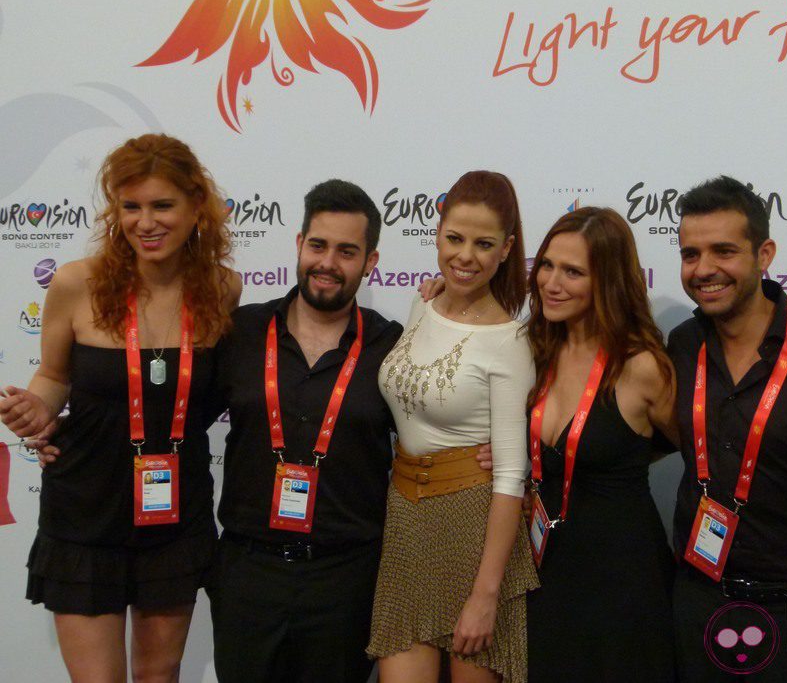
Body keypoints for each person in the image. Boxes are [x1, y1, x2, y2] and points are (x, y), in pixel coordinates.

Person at [0, 134, 240, 682]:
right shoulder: (75, 283)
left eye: (161, 205)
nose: (145, 222)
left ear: (195, 206)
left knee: (159, 674)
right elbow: (55, 376)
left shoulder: (223, 288)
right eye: (130, 207)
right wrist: (38, 409)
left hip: (175, 506)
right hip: (86, 503)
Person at [205, 180, 405, 683]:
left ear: (370, 261)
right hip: (248, 574)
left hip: (346, 580)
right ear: (298, 244)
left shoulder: (392, 346)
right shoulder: (241, 332)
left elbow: (434, 435)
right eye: (318, 245)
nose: (328, 263)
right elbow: (175, 422)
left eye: (346, 251)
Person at [668, 176, 787, 681]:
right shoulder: (681, 346)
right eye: (690, 254)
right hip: (698, 599)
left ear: (763, 253)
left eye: (723, 251)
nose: (704, 269)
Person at [368, 171, 538, 683]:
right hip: (405, 521)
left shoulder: (509, 341)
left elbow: (511, 475)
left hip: (474, 527)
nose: (465, 256)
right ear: (437, 234)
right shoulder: (422, 302)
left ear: (507, 249)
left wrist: (486, 595)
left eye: (484, 244)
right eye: (454, 239)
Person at [523, 207, 677, 681]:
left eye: (572, 272)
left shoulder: (642, 365)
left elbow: (697, 449)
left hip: (622, 576)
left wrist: (616, 457)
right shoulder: (536, 349)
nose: (552, 282)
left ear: (607, 280)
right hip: (545, 569)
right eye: (546, 265)